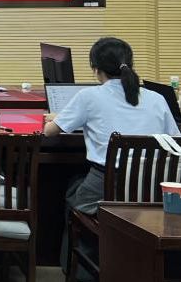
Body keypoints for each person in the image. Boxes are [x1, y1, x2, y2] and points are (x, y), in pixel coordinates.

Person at [45, 37, 179, 214]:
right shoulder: (157, 99)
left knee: (71, 187)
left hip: (107, 188)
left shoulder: (89, 96)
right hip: (152, 191)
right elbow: (175, 140)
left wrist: (59, 118)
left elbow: (49, 132)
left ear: (95, 68)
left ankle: (91, 232)